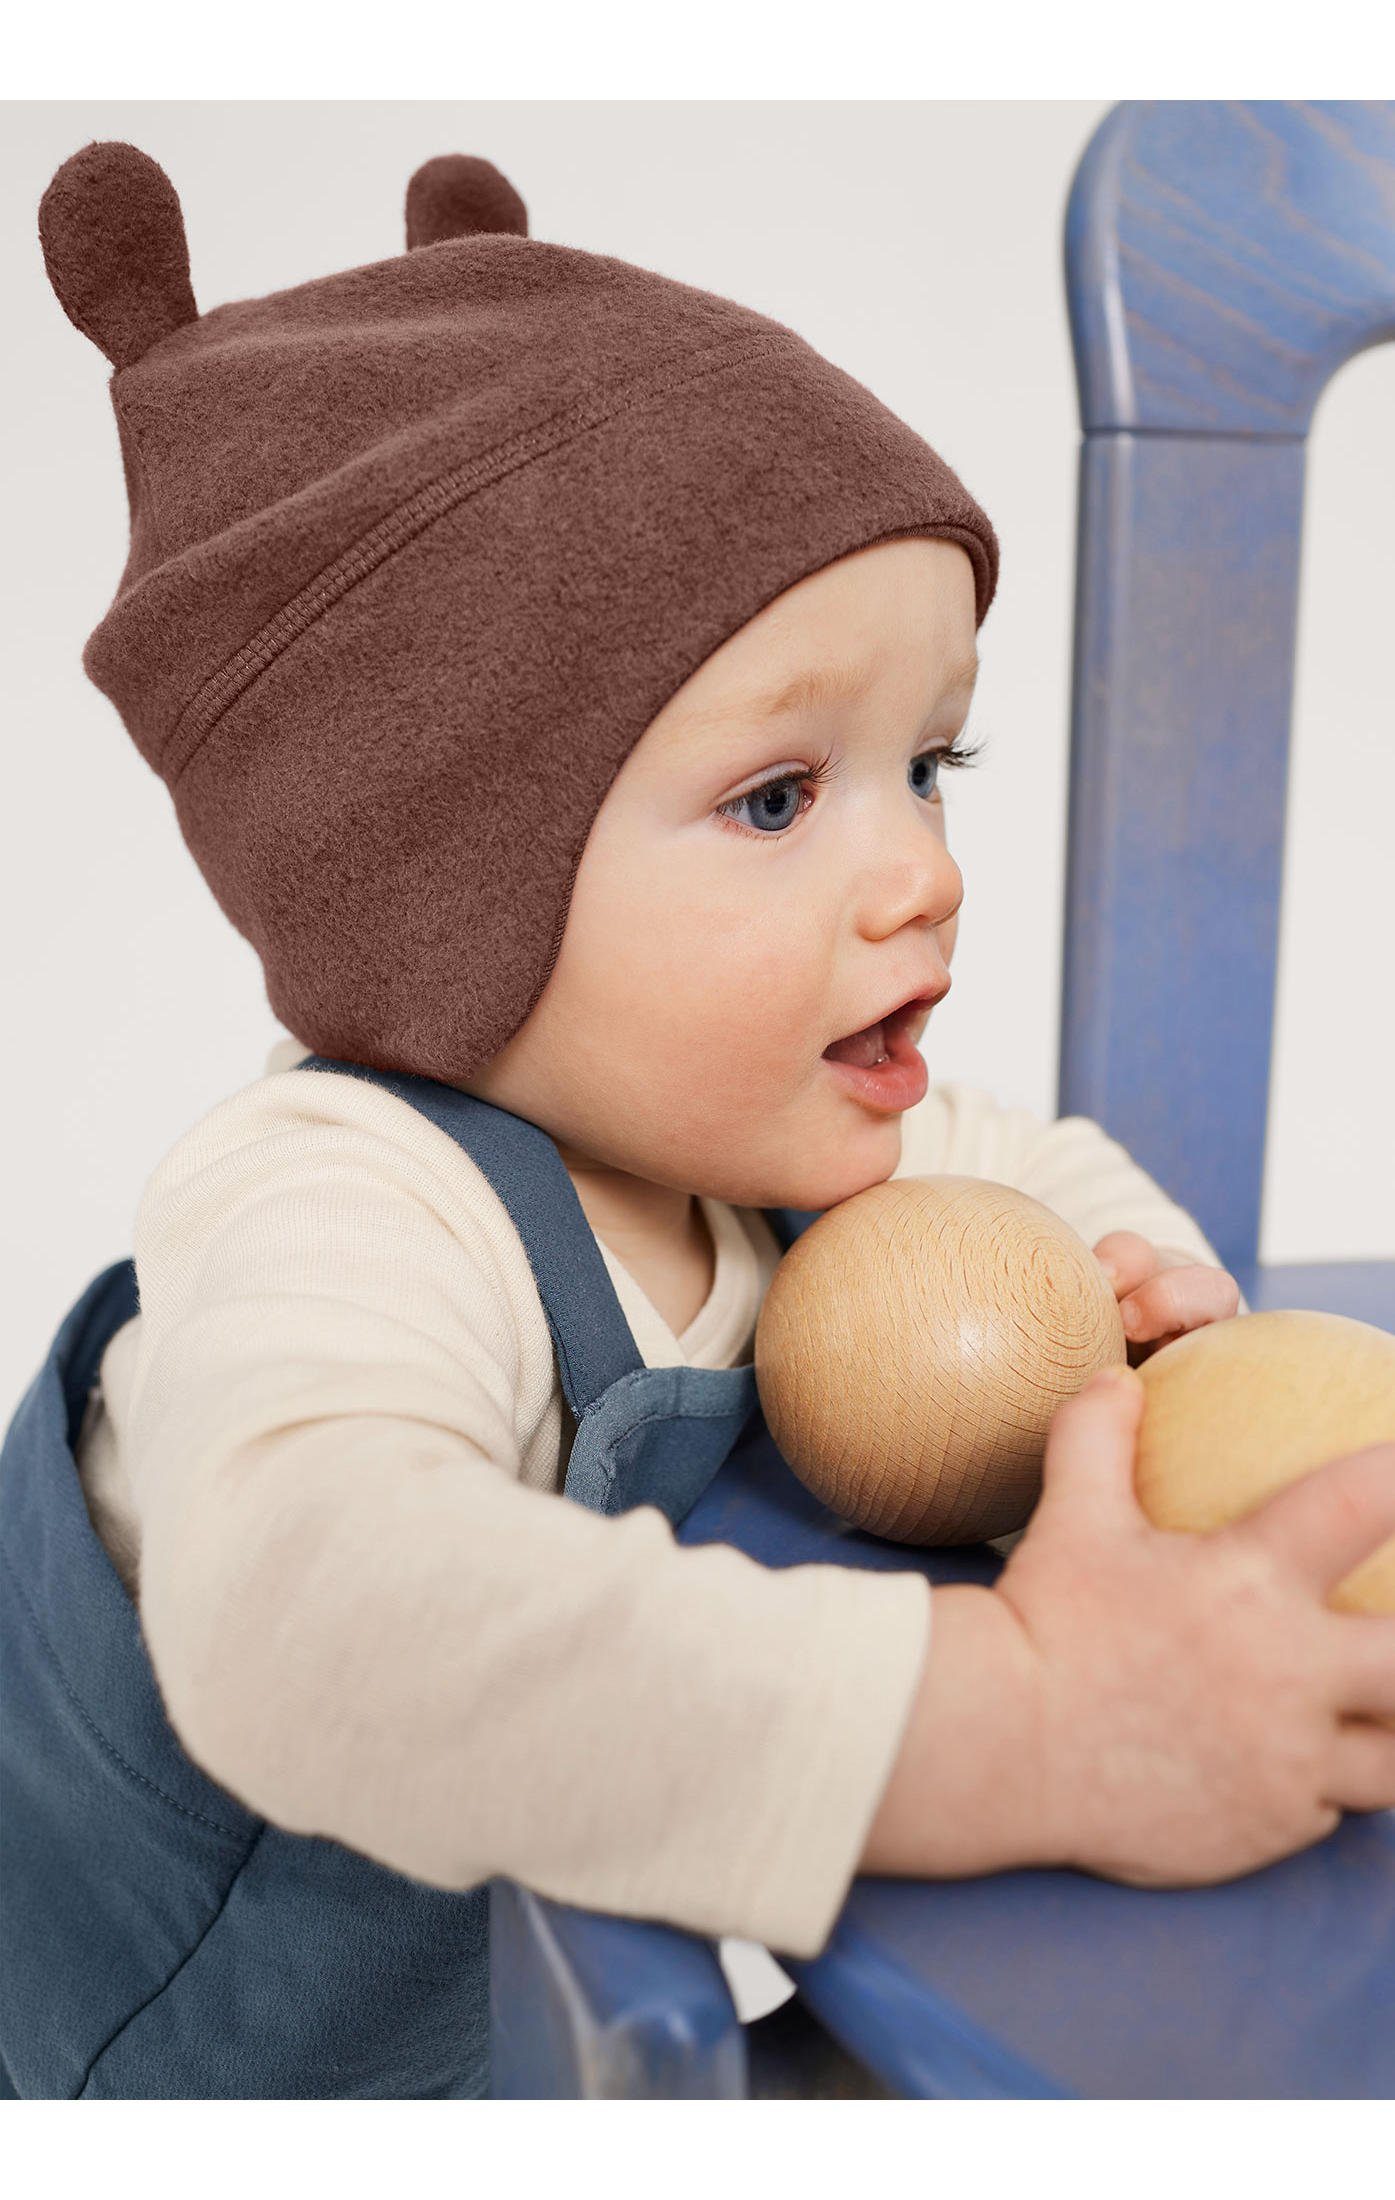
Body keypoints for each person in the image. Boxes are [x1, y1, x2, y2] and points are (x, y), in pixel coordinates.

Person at [4, 138, 1392, 2101]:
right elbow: (320, 1620)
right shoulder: (346, 1205)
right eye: (776, 797)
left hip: (542, 1999)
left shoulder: (766, 1120)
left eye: (930, 761)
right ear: (442, 882)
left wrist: (1146, 1304)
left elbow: (1026, 1158)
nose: (922, 870)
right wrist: (1016, 1715)